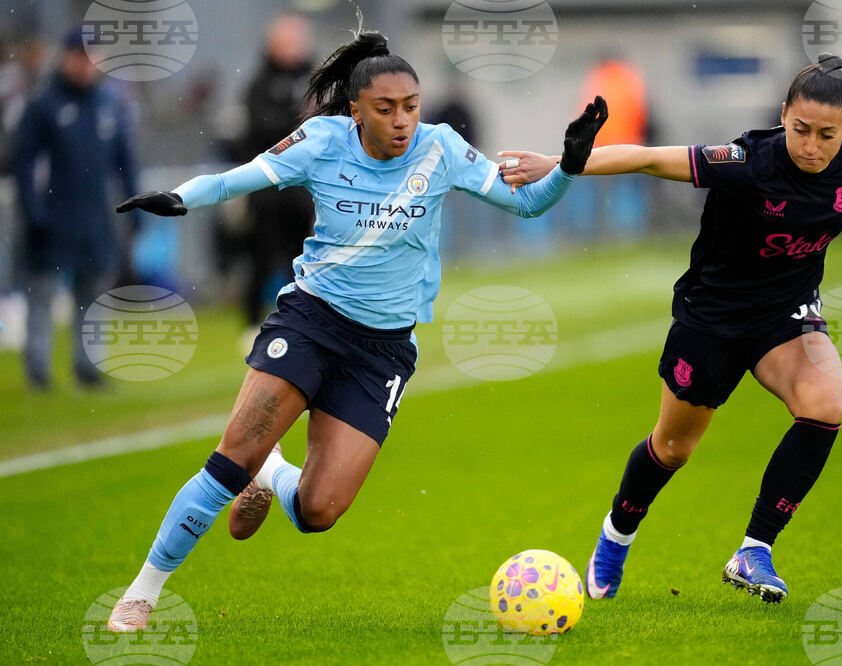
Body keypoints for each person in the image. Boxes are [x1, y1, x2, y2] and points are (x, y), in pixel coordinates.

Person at [105, 30, 608, 631]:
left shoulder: (441, 148)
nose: (402, 121)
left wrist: (569, 165)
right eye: (386, 108)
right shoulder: (322, 141)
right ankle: (142, 594)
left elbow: (526, 204)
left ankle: (272, 474)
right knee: (231, 459)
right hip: (311, 320)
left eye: (411, 106)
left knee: (318, 511)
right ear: (356, 111)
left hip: (384, 350)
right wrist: (179, 198)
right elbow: (238, 178)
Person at [499, 53, 842, 604]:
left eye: (826, 135)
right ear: (783, 115)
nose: (811, 145)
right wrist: (558, 163)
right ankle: (617, 533)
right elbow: (648, 158)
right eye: (800, 129)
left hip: (785, 315)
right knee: (672, 448)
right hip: (712, 318)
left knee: (825, 406)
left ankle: (754, 549)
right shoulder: (746, 161)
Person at [12, 29, 139, 390]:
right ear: (66, 58)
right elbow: (24, 164)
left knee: (93, 297)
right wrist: (34, 212)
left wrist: (136, 206)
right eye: (80, 57)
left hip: (95, 219)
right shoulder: (43, 105)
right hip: (53, 219)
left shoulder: (109, 105)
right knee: (43, 295)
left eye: (92, 57)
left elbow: (125, 163)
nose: (86, 65)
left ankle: (87, 368)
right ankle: (38, 372)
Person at [238, 13, 317, 327]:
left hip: (303, 190)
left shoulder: (315, 79)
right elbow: (265, 128)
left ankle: (303, 319)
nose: (294, 47)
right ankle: (251, 322)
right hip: (268, 189)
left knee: (304, 257)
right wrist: (297, 118)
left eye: (298, 40)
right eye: (287, 41)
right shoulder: (259, 84)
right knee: (261, 257)